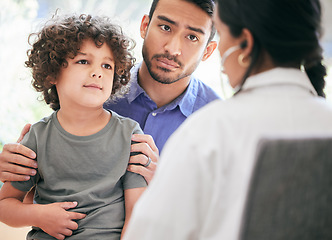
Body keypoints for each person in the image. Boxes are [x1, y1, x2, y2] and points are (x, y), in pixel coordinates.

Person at [122, 0, 332, 239]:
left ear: (244, 43)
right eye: (166, 28)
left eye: (220, 35)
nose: (173, 48)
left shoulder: (209, 127)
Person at [0, 0, 220, 184]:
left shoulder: (219, 123)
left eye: (192, 37)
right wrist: (21, 166)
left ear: (208, 51)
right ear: (144, 26)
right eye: (165, 27)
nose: (172, 48)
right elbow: (46, 187)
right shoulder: (93, 88)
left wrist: (163, 185)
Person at [0, 14, 146, 240]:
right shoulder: (38, 137)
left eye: (107, 65)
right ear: (52, 73)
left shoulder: (130, 134)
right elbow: (5, 205)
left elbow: (137, 215)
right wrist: (39, 215)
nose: (98, 72)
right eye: (83, 61)